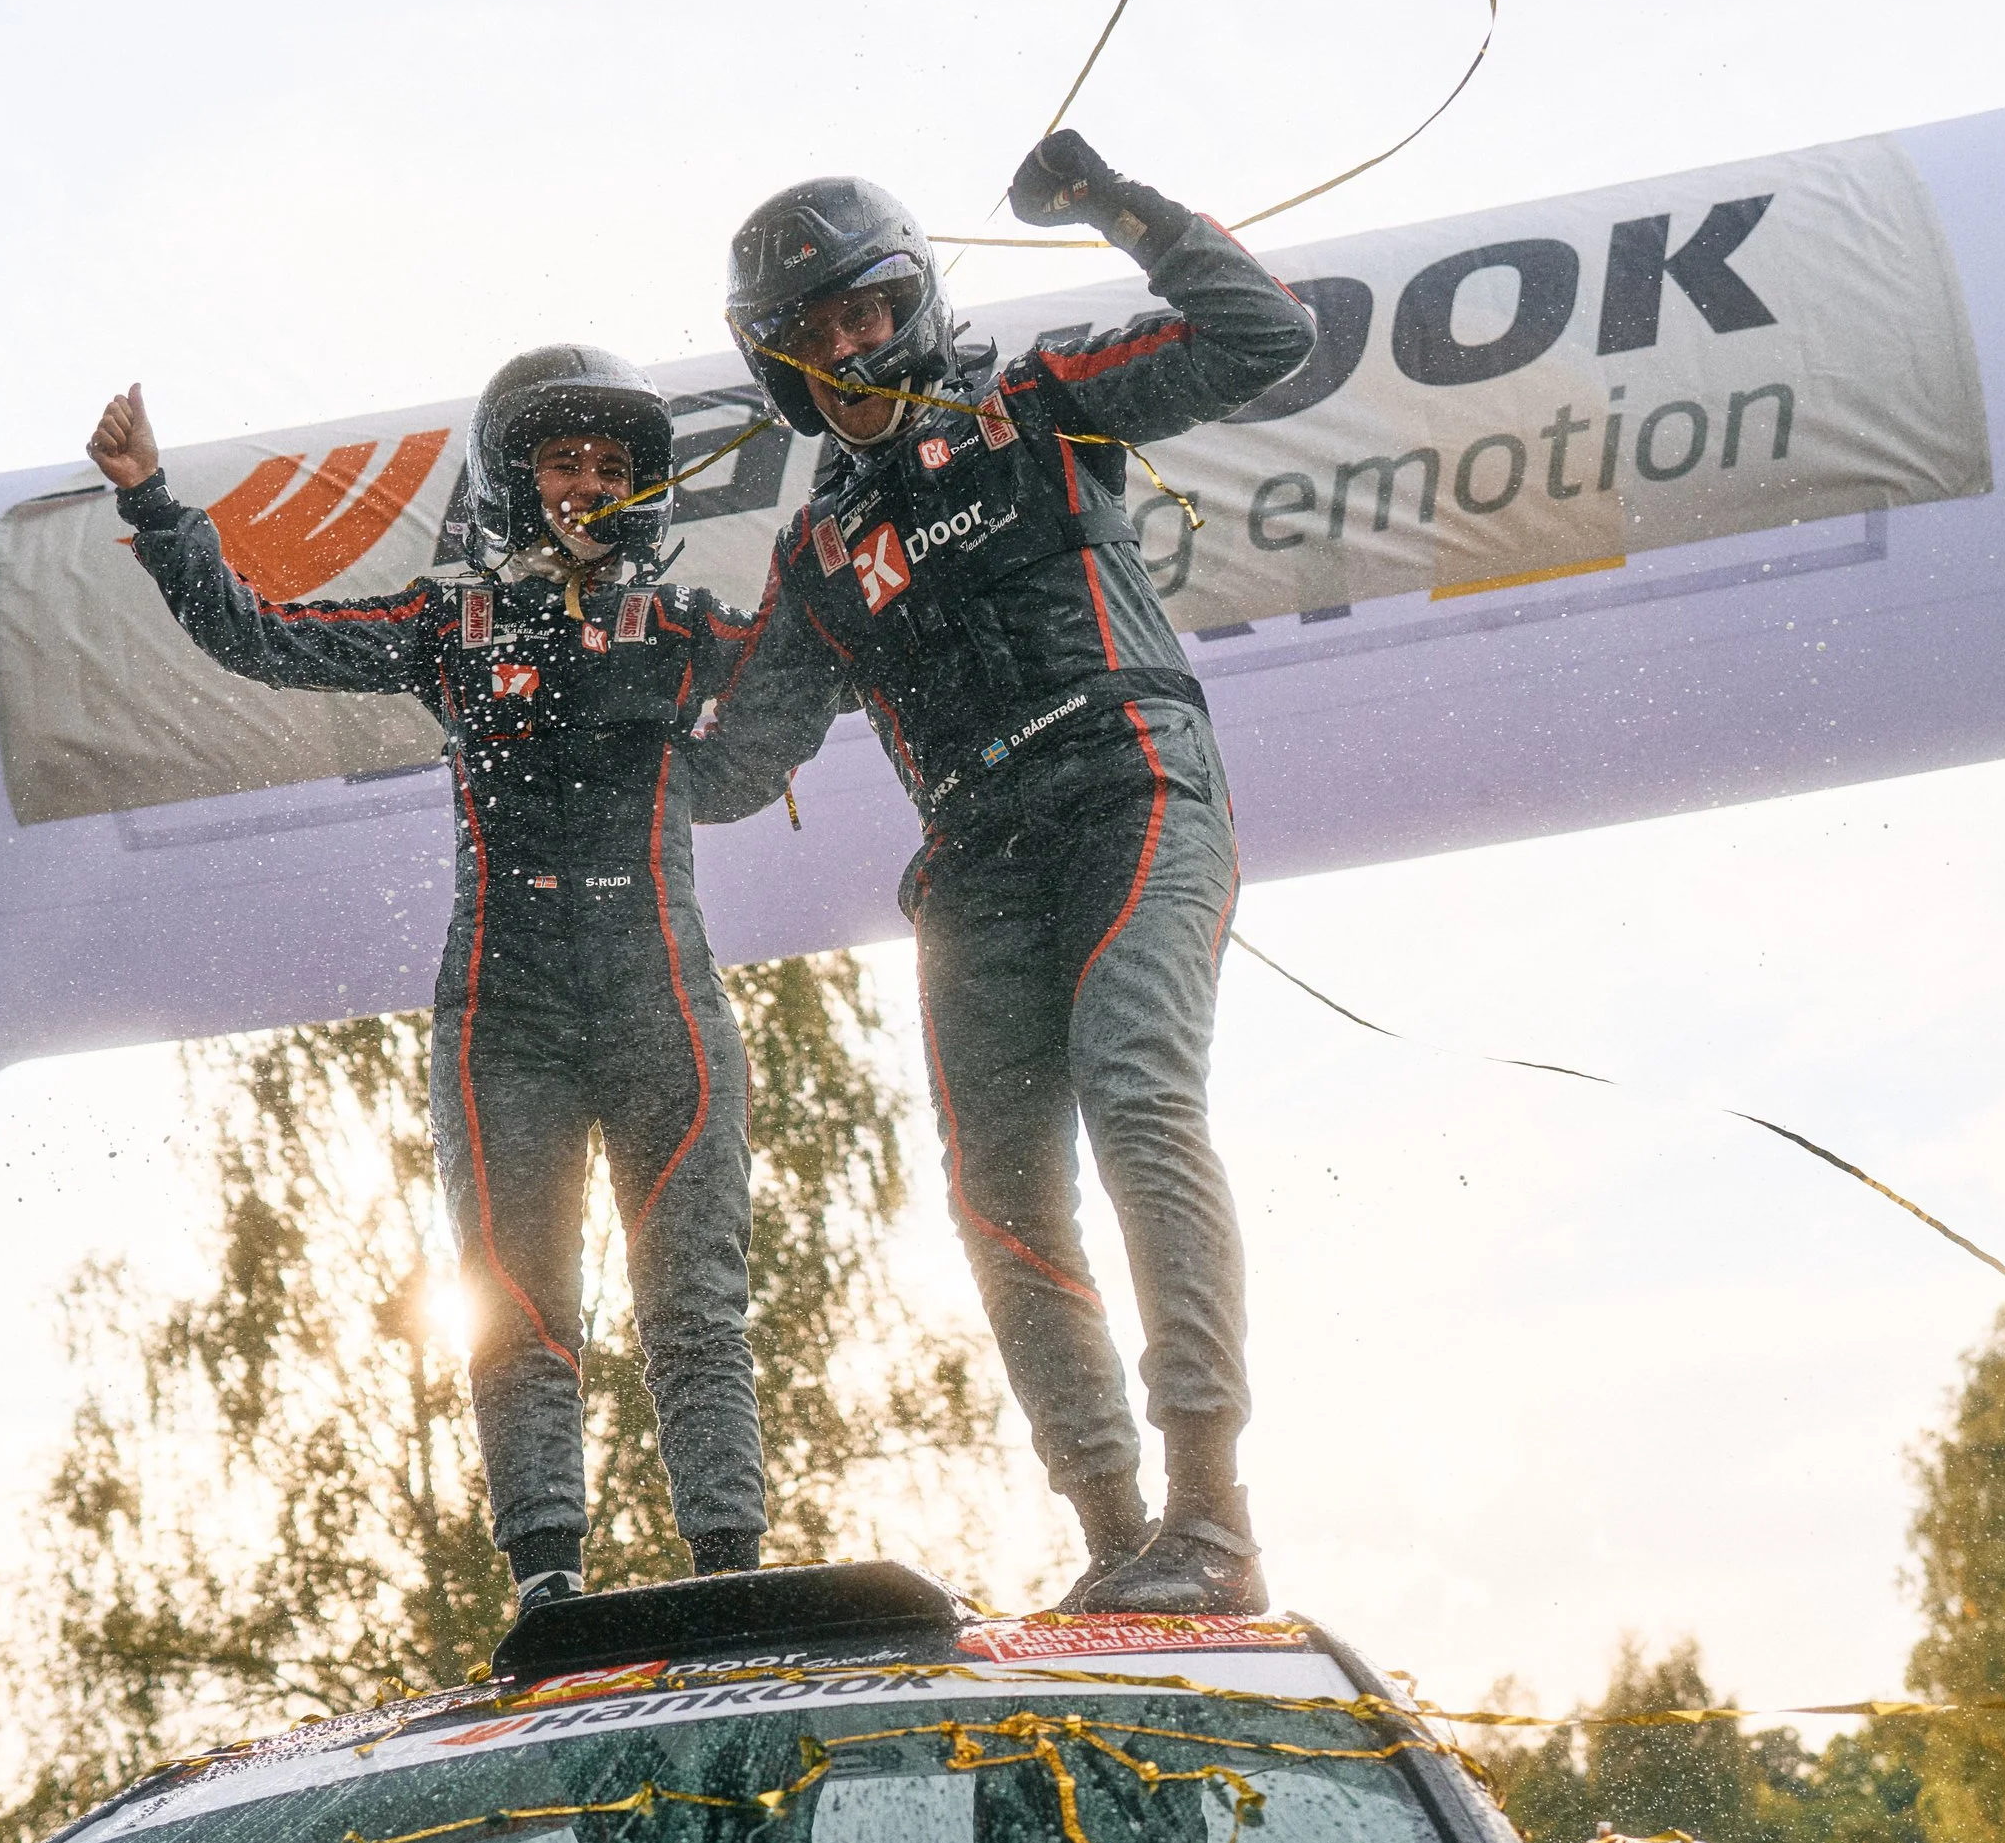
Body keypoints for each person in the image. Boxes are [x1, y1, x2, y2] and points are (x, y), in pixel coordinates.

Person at [701, 132, 1316, 1616]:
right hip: (975, 860)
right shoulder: (817, 553)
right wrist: (632, 687)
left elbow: (1263, 333)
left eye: (869, 311)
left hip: (1130, 787)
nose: (852, 347)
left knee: (1138, 1090)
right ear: (788, 373)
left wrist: (1115, 204)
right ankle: (1117, 1541)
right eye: (817, 338)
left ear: (912, 301)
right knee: (997, 1190)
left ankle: (1213, 1514)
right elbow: (728, 770)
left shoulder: (1038, 405)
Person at [85, 353, 766, 1639]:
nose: (588, 482)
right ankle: (548, 1578)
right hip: (499, 1020)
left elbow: (821, 662)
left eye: (612, 466)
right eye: (563, 462)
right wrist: (156, 508)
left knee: (693, 1301)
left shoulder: (685, 633)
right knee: (515, 1300)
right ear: (514, 482)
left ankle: (728, 1557)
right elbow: (262, 637)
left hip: (660, 1000)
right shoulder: (446, 627)